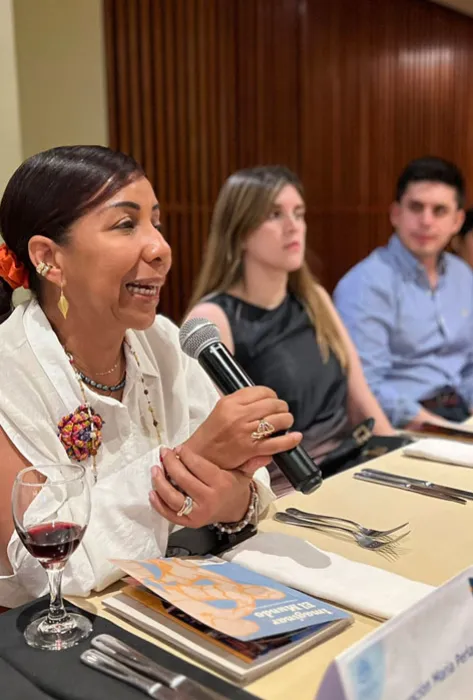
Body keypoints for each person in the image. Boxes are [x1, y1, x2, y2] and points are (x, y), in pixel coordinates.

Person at [0, 146, 303, 608]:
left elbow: (253, 490)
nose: (161, 248)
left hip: (180, 596)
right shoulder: (9, 369)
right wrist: (194, 457)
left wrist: (229, 504)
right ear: (49, 259)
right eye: (126, 224)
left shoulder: (162, 340)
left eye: (155, 223)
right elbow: (49, 571)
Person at [186, 165, 398, 494]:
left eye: (298, 213)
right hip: (287, 489)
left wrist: (399, 459)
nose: (293, 227)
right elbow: (222, 446)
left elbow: (362, 402)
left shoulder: (315, 300)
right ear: (240, 231)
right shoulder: (213, 319)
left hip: (356, 467)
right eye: (274, 215)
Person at [334, 156, 471, 429]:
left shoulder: (463, 275)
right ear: (396, 214)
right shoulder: (366, 284)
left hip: (461, 414)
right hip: (405, 425)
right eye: (416, 207)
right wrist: (444, 430)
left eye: (439, 211)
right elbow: (366, 387)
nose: (426, 221)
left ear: (457, 221)